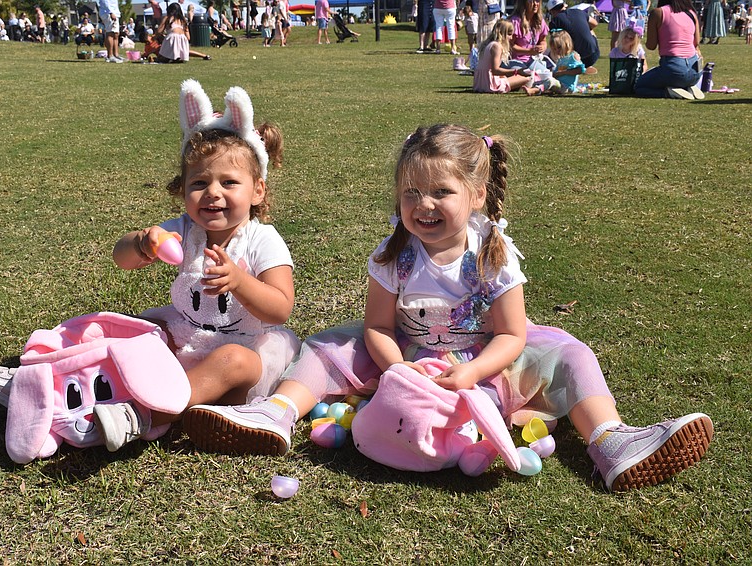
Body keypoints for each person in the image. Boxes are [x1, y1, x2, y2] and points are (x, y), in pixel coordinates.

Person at [181, 123, 714, 493]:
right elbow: (378, 326)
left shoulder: (493, 255)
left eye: (441, 191)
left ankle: (611, 441)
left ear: (477, 194)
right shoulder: (393, 256)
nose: (424, 205)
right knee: (325, 347)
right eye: (410, 193)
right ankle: (273, 415)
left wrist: (471, 373)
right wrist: (398, 369)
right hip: (408, 351)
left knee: (570, 353)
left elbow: (511, 334)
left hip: (484, 357)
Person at [0, 80, 299, 454]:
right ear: (182, 187)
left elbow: (280, 306)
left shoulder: (261, 240)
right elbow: (120, 258)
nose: (213, 193)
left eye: (229, 182)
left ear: (258, 191)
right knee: (129, 330)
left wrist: (239, 281)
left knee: (232, 361)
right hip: (185, 332)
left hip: (243, 349)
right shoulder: (187, 229)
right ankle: (46, 380)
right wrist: (141, 243)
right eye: (200, 182)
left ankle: (141, 415)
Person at [634, 0, 703, 99]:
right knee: (673, 76)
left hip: (673, 68)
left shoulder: (658, 13)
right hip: (695, 71)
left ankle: (668, 92)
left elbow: (651, 45)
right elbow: (696, 42)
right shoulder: (691, 13)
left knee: (640, 86)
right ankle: (688, 87)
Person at [473, 18, 539, 93]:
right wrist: (516, 71)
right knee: (527, 78)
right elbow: (495, 70)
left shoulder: (489, 44)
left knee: (508, 77)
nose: (511, 38)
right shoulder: (497, 46)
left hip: (480, 83)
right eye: (509, 34)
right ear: (502, 33)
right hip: (491, 85)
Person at [546, 0, 601, 67]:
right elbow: (595, 23)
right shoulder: (578, 11)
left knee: (558, 40)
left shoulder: (554, 22)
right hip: (594, 54)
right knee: (590, 29)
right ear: (564, 5)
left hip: (574, 59)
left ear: (551, 11)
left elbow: (555, 43)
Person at [509, 0, 549, 67]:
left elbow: (543, 40)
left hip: (534, 61)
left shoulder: (540, 21)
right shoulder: (515, 21)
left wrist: (543, 47)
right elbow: (509, 45)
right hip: (517, 61)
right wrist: (528, 51)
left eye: (537, 1)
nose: (535, 4)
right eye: (532, 1)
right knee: (524, 76)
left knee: (546, 75)